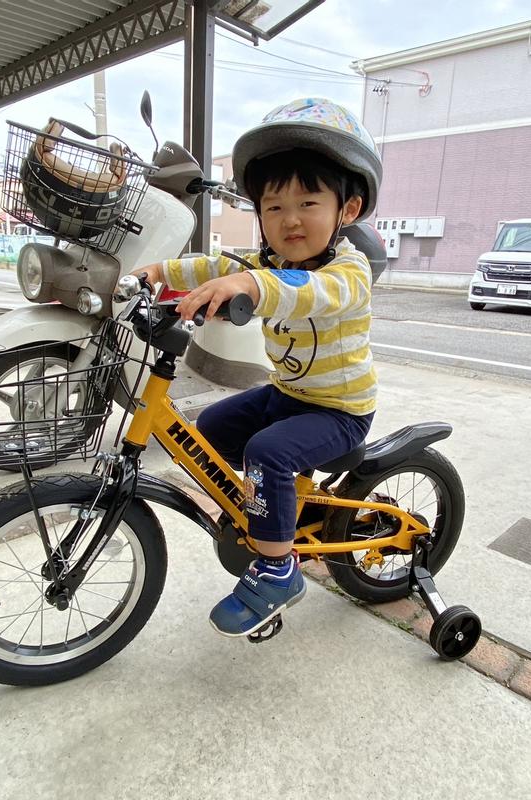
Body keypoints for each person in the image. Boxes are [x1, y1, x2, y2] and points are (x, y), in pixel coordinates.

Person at [133, 97, 383, 640]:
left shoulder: (350, 270)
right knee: (214, 429)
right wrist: (161, 270)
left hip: (340, 411)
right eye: (273, 207)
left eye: (308, 201)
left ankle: (278, 572)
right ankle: (272, 509)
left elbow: (309, 292)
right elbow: (217, 264)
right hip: (289, 394)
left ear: (349, 209)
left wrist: (249, 287)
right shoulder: (266, 263)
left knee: (267, 452)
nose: (289, 218)